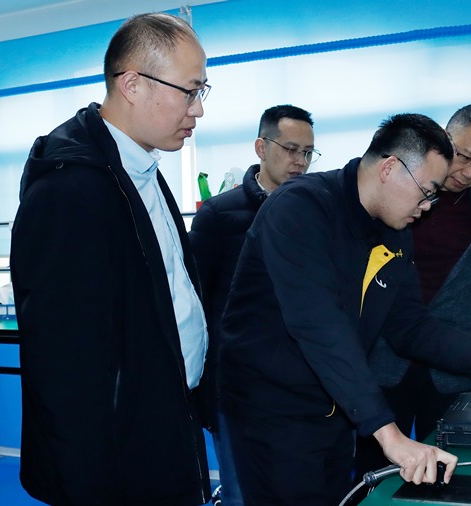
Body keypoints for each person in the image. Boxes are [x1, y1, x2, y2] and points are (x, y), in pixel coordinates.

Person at [217, 113, 471, 505]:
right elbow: (319, 326)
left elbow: (408, 323)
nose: (428, 206)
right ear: (390, 168)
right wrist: (389, 433)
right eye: (426, 192)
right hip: (273, 409)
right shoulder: (301, 207)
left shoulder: (393, 231)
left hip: (334, 407)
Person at [10, 13, 213, 506]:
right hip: (119, 463)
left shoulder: (139, 170)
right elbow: (63, 365)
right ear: (133, 85)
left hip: (165, 424)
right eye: (190, 91)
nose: (198, 110)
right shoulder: (70, 190)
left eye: (202, 91)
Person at [356, 104, 471, 476]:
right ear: (444, 138)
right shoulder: (395, 192)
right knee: (376, 470)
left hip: (450, 366)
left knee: (449, 470)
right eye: (464, 157)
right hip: (382, 357)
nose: (469, 172)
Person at [189, 104, 317, 505]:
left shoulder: (316, 213)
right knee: (242, 494)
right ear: (262, 147)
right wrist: (206, 390)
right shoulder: (218, 216)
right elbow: (197, 306)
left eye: (308, 152)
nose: (300, 161)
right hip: (237, 390)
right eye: (291, 149)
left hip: (299, 388)